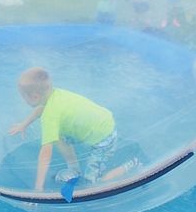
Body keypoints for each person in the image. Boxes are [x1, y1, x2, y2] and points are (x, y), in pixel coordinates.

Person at [9, 67, 138, 191]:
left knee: (93, 185)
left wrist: (38, 187)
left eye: (23, 96)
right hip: (100, 123)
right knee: (57, 136)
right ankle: (74, 168)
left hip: (104, 138)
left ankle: (131, 164)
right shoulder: (55, 94)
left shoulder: (50, 116)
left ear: (35, 96)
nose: (23, 100)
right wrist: (24, 124)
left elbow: (45, 154)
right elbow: (40, 109)